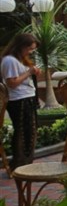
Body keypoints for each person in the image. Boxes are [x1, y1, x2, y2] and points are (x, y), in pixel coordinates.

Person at [1, 33, 41, 170]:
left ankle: (26, 163)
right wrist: (28, 72)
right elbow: (11, 82)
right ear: (21, 46)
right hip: (19, 100)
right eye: (29, 49)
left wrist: (32, 72)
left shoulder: (20, 60)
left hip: (27, 97)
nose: (30, 52)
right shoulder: (9, 60)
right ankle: (19, 164)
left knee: (30, 132)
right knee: (23, 133)